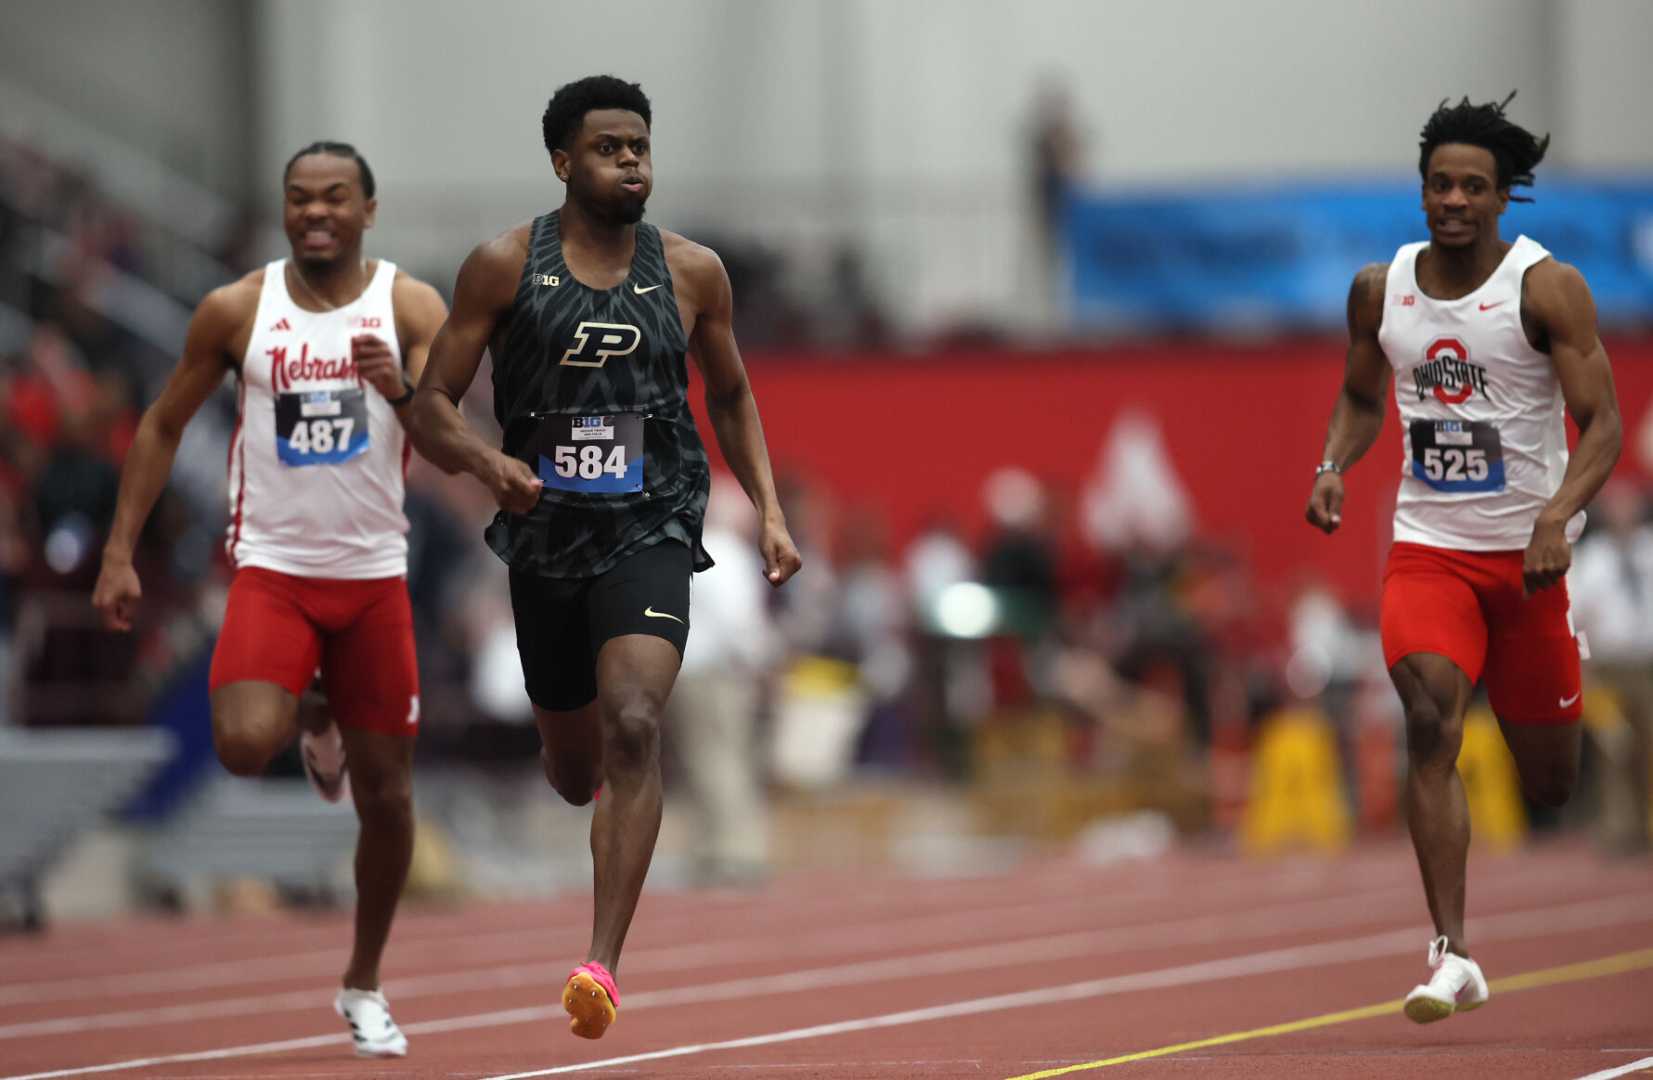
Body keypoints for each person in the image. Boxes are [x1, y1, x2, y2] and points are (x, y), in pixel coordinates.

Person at [408, 75, 802, 1041]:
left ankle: (601, 965)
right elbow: (428, 405)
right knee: (575, 769)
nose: (631, 162)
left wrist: (773, 511)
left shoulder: (694, 271)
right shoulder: (503, 267)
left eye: (640, 147)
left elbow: (735, 397)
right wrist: (486, 463)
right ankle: (576, 769)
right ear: (562, 161)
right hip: (545, 539)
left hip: (653, 524)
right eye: (608, 148)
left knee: (634, 721)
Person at [92, 142, 447, 1058]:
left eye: (334, 198)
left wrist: (400, 389)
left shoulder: (408, 305)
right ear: (284, 209)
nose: (315, 212)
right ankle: (313, 710)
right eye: (299, 199)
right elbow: (164, 422)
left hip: (372, 579)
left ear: (369, 208)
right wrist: (121, 551)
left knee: (388, 801)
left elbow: (446, 435)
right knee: (245, 744)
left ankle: (363, 983)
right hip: (274, 572)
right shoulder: (237, 310)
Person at [1305, 94, 1621, 1024]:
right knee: (1428, 714)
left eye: (1472, 187)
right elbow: (1362, 398)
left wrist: (1557, 516)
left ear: (1502, 198)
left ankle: (1549, 712)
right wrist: (1331, 466)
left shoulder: (1544, 288)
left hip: (1529, 565)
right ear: (1420, 191)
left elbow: (1601, 421)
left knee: (1550, 784)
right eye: (1438, 183)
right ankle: (1451, 954)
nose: (1452, 200)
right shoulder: (1381, 288)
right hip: (1430, 552)